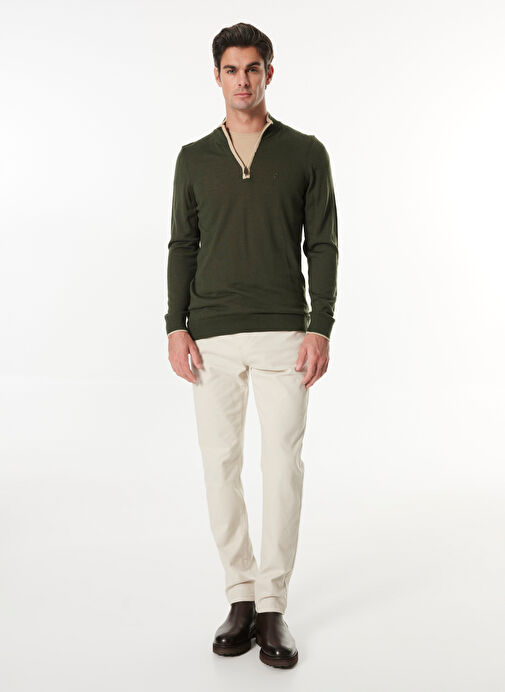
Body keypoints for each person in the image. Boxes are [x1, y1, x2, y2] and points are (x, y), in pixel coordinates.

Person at [164, 22, 338, 669]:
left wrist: (320, 325)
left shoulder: (305, 153)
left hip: (283, 333)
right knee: (220, 465)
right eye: (232, 69)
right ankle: (239, 594)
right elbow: (182, 244)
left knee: (282, 467)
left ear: (269, 72)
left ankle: (272, 604)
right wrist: (174, 325)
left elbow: (322, 243)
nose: (243, 80)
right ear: (217, 76)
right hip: (210, 335)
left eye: (253, 68)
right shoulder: (193, 158)